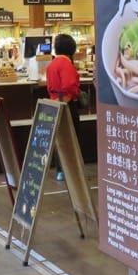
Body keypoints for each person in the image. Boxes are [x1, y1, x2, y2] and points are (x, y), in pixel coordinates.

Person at [46, 33, 82, 181]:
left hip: (54, 103)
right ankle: (71, 171)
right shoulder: (66, 64)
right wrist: (65, 101)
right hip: (66, 106)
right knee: (71, 140)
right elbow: (70, 86)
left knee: (60, 140)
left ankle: (60, 170)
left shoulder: (52, 64)